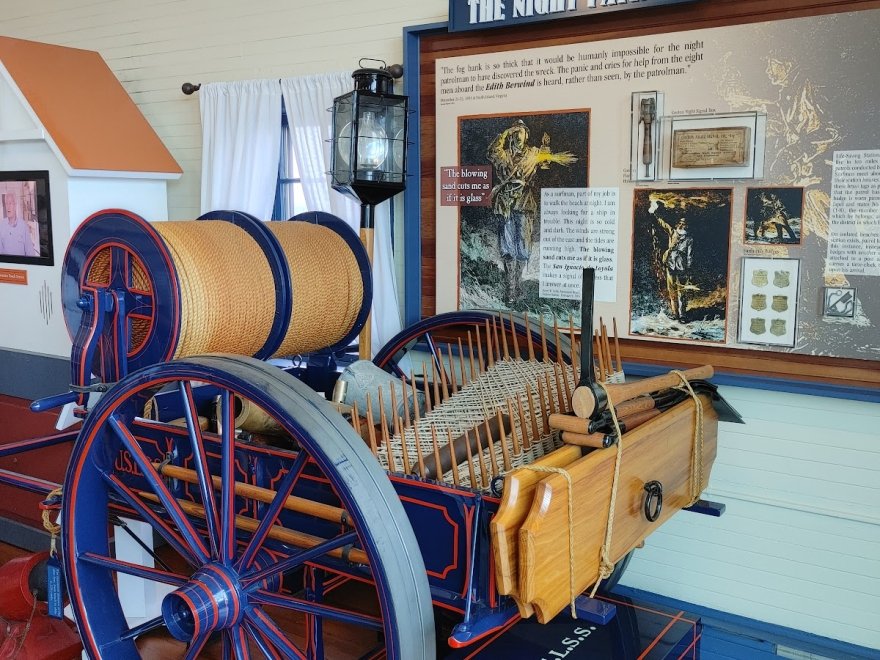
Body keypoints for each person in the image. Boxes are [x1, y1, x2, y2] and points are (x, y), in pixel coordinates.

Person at [487, 119, 576, 304]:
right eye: (515, 132)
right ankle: (510, 288)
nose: (518, 135)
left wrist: (546, 148)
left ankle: (518, 284)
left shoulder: (533, 153)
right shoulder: (503, 155)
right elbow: (491, 152)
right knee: (507, 247)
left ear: (527, 135)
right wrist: (504, 132)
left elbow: (546, 164)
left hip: (525, 204)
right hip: (505, 205)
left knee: (523, 247)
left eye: (522, 132)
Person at [650, 200, 693, 320]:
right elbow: (663, 224)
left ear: (686, 226)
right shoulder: (672, 232)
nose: (681, 225)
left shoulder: (689, 239)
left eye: (684, 224)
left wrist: (689, 268)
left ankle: (682, 314)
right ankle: (675, 313)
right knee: (672, 290)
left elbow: (689, 255)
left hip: (681, 268)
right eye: (680, 223)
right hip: (670, 265)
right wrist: (655, 214)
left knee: (682, 291)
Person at [0, 192, 38, 257]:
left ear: (15, 205)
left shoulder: (23, 226)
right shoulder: (1, 226)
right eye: (6, 203)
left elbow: (30, 252)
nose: (8, 206)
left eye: (10, 203)